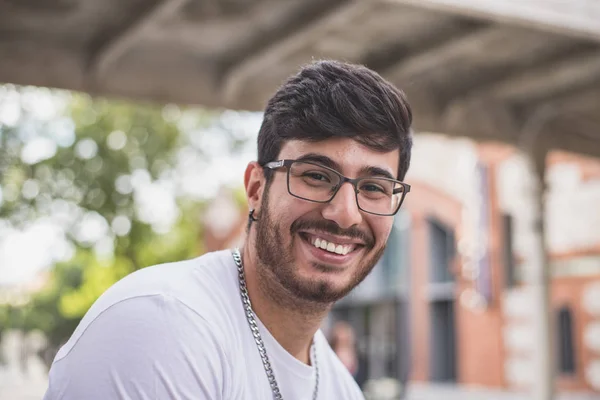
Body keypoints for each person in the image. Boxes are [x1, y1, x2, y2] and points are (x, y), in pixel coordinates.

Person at [43, 60, 413, 400]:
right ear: (255, 188)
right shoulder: (163, 326)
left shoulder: (340, 388)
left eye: (375, 188)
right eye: (316, 176)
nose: (345, 214)